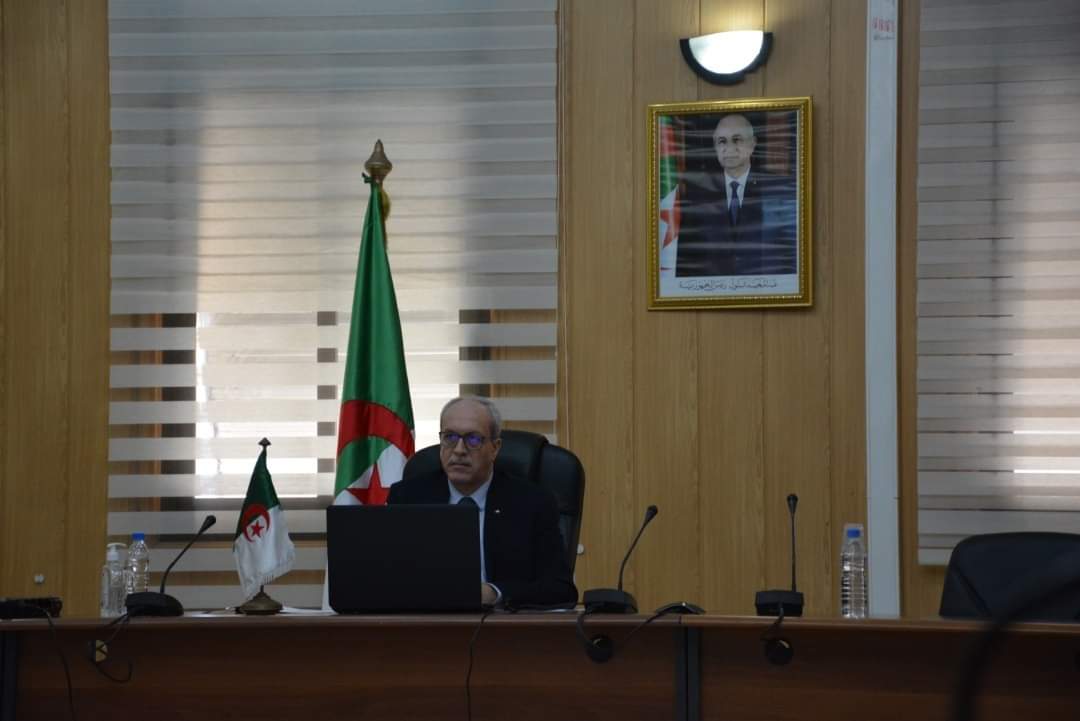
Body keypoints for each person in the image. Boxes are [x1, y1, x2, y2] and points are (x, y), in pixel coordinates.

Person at [387, 396, 577, 608]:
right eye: (450, 437)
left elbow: (561, 589)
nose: (459, 450)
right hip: (424, 621)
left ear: (495, 448)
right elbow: (386, 578)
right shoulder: (408, 497)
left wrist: (494, 593)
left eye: (473, 439)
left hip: (501, 624)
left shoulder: (533, 503)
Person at [675, 113, 798, 277]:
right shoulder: (700, 194)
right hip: (713, 290)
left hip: (766, 288)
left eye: (737, 140)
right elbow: (687, 257)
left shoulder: (775, 188)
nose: (729, 148)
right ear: (715, 146)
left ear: (752, 144)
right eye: (722, 141)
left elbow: (791, 252)